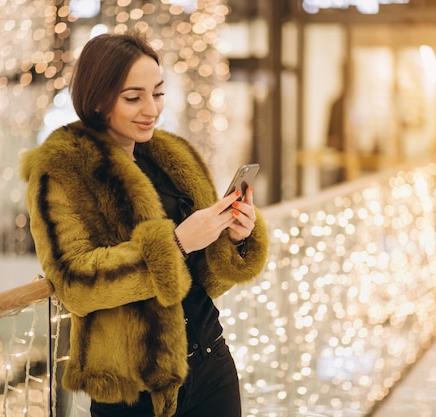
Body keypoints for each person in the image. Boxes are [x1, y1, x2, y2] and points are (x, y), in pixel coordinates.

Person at [20, 31, 269, 417]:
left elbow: (205, 282)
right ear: (98, 100)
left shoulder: (174, 158)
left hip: (210, 361)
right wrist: (177, 244)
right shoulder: (63, 169)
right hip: (132, 387)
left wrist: (233, 238)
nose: (151, 109)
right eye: (133, 97)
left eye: (158, 93)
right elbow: (74, 283)